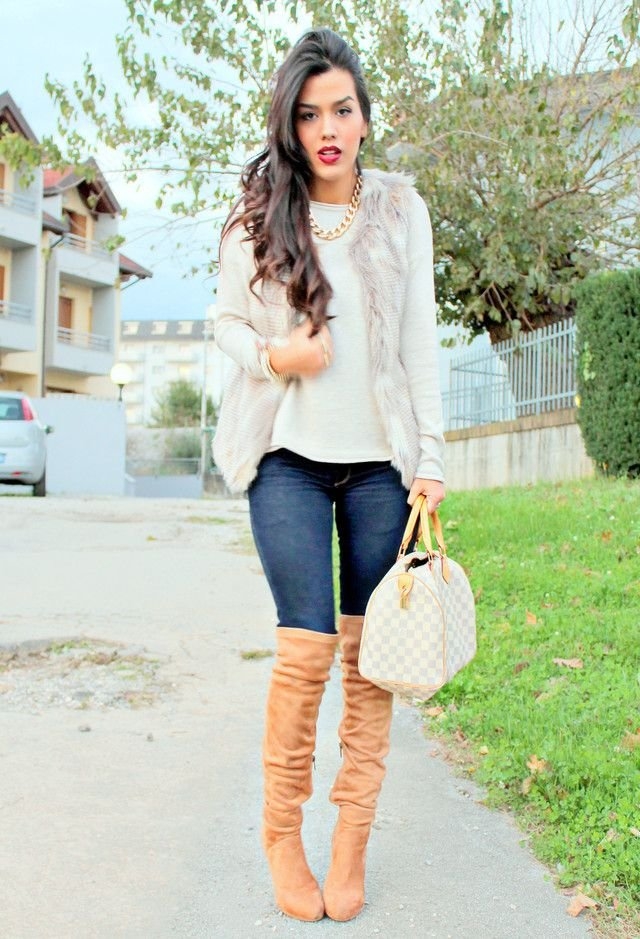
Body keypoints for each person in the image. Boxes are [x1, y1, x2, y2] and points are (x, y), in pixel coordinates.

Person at [213, 27, 445, 923]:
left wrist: (431, 460)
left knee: (368, 658)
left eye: (342, 110)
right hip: (288, 463)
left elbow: (420, 343)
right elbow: (226, 323)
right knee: (306, 651)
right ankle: (283, 836)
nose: (328, 130)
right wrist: (282, 356)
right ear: (291, 125)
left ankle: (351, 839)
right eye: (310, 115)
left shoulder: (401, 210)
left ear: (364, 117)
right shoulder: (258, 214)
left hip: (381, 469)